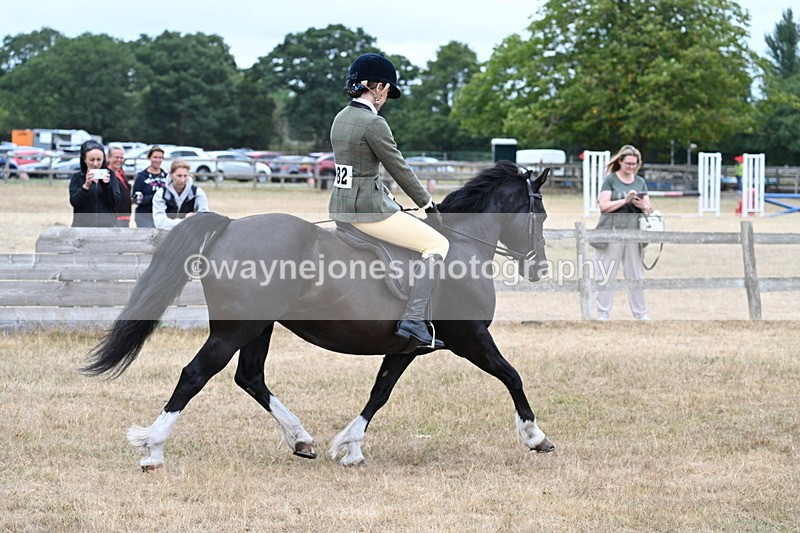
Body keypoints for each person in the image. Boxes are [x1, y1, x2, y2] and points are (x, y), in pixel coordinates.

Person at [329, 53, 449, 349]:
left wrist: (387, 198)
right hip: (368, 213)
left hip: (342, 208)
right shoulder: (373, 122)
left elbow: (359, 172)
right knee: (437, 245)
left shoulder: (341, 118)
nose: (385, 99)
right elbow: (399, 167)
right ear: (378, 87)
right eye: (386, 91)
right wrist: (428, 205)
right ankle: (413, 318)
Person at [594, 144, 654, 321]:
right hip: (612, 231)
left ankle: (641, 313)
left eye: (634, 164)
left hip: (634, 233)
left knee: (635, 275)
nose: (631, 167)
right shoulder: (610, 180)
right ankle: (603, 313)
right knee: (606, 273)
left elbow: (649, 209)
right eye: (628, 163)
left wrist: (642, 205)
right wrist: (624, 200)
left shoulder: (640, 181)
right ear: (620, 161)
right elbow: (604, 206)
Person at [69, 140, 121, 227]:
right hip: (82, 227)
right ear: (84, 159)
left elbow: (115, 202)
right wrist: (85, 186)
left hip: (107, 227)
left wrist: (106, 186)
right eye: (92, 160)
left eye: (99, 159)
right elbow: (74, 202)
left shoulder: (110, 175)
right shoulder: (77, 177)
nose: (95, 164)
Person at [152, 160, 209, 230]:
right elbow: (160, 223)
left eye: (185, 176)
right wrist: (185, 220)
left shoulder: (198, 193)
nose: (182, 180)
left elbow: (205, 220)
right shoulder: (160, 194)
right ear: (171, 175)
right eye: (179, 176)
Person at [131, 146, 168, 228]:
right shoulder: (141, 177)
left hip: (162, 216)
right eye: (155, 157)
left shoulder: (167, 177)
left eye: (160, 157)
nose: (157, 160)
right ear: (149, 158)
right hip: (144, 216)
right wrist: (155, 197)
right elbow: (135, 199)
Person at [108, 146, 132, 227]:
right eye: (116, 157)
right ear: (109, 158)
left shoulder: (122, 174)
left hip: (125, 218)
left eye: (121, 158)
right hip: (113, 218)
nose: (119, 160)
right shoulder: (106, 175)